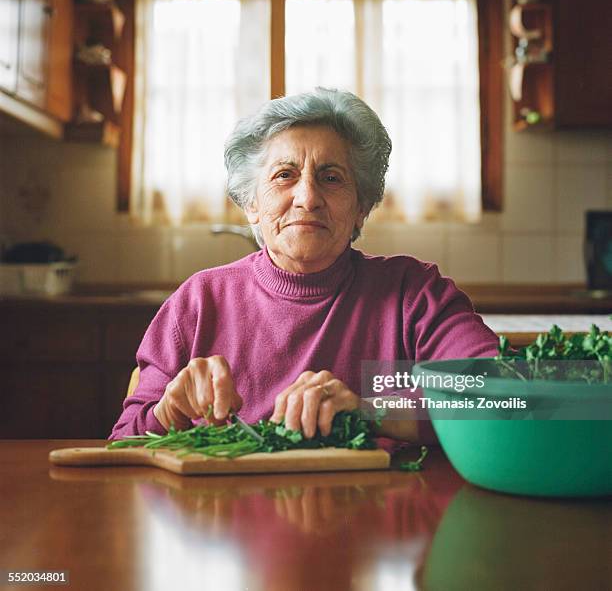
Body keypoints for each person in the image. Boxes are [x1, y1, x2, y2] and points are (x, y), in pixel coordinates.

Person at [109, 87, 499, 444]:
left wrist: (371, 409)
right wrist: (168, 412)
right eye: (284, 175)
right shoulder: (199, 301)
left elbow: (505, 398)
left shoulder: (414, 294)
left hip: (375, 514)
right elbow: (122, 443)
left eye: (331, 178)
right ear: (251, 205)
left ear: (361, 208)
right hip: (228, 518)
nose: (308, 198)